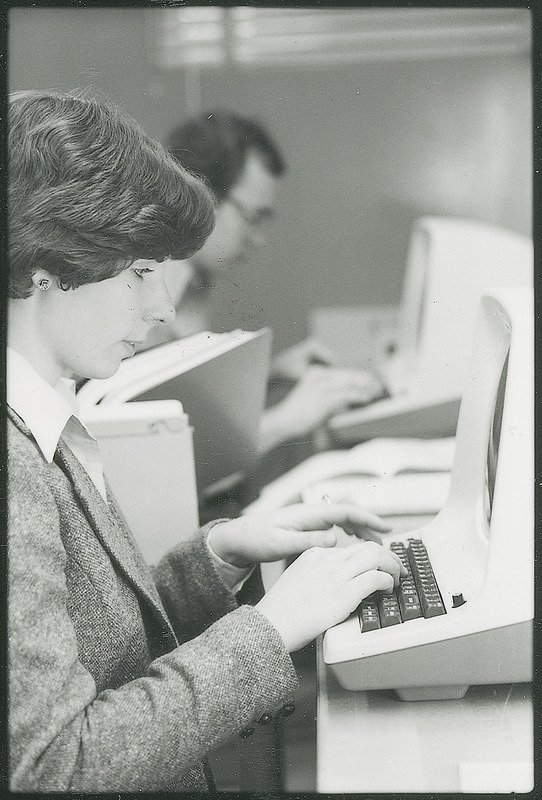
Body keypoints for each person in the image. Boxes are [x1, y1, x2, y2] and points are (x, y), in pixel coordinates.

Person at [7, 89, 405, 793]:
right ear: (46, 266)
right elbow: (54, 768)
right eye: (140, 273)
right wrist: (271, 629)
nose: (162, 309)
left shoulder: (45, 416)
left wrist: (220, 553)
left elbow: (101, 643)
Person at [144, 111, 385, 456]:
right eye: (253, 218)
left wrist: (272, 373)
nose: (258, 240)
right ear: (200, 196)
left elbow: (182, 408)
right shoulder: (144, 297)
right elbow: (162, 461)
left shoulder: (193, 282)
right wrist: (287, 419)